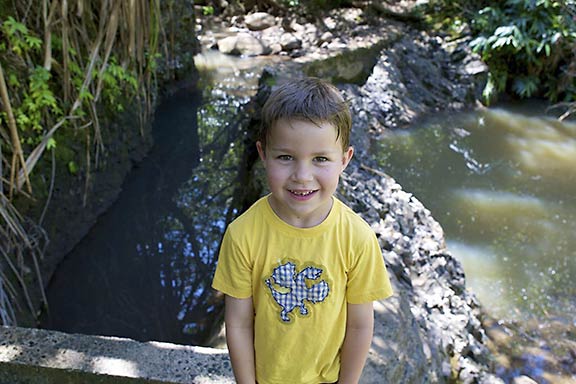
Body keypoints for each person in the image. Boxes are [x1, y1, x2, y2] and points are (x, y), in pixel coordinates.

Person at [212, 77, 393, 384]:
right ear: (263, 153)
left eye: (321, 159)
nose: (302, 176)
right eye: (286, 157)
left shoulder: (357, 238)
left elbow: (360, 326)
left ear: (344, 160)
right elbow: (239, 323)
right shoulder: (242, 234)